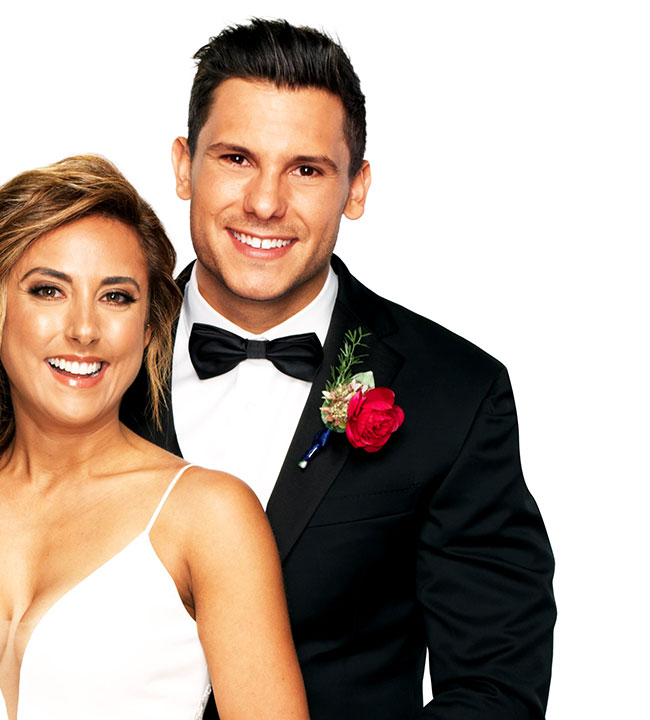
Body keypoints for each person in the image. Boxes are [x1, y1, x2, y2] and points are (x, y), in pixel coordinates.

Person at [118, 19, 557, 719]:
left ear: (356, 188)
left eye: (306, 169)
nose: (265, 202)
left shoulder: (456, 395)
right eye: (236, 158)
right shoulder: (85, 368)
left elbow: (494, 689)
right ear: (183, 165)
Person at [0, 155, 310, 720]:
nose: (84, 330)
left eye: (116, 297)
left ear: (148, 329)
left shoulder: (210, 517)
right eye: (49, 290)